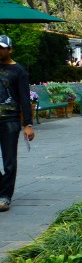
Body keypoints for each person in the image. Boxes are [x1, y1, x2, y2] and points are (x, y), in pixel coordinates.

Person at [0, 35, 34, 212]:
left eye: (2, 47)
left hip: (10, 121)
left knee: (9, 161)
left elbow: (24, 99)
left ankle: (5, 196)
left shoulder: (19, 71)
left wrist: (27, 124)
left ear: (10, 49)